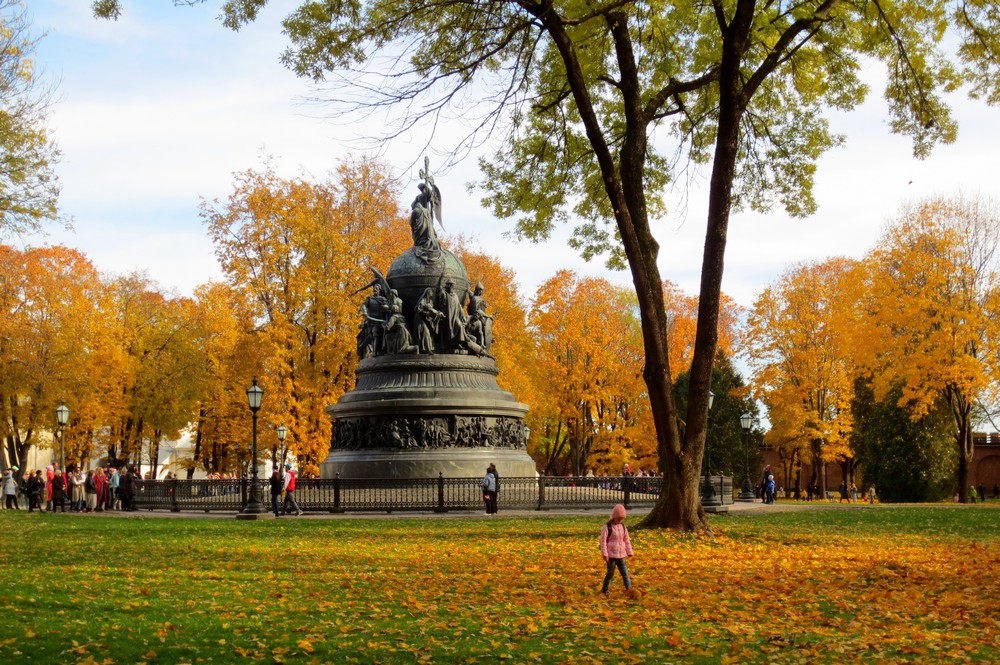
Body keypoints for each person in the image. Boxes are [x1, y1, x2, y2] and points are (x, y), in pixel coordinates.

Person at [599, 504, 634, 596]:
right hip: (611, 556)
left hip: (621, 554)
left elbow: (626, 540)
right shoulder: (607, 527)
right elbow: (603, 541)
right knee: (610, 573)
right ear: (614, 517)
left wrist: (629, 551)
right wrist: (605, 554)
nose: (620, 521)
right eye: (618, 518)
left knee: (625, 573)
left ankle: (629, 589)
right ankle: (605, 589)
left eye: (622, 519)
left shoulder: (623, 527)